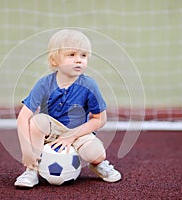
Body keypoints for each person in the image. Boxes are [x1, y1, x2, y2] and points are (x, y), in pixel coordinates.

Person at [14, 29, 121, 188]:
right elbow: (23, 117)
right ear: (54, 60)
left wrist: (71, 136)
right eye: (71, 55)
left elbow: (100, 119)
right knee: (37, 121)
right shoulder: (44, 83)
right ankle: (31, 170)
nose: (79, 60)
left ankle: (98, 164)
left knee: (96, 153)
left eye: (83, 56)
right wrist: (27, 151)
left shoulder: (89, 85)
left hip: (78, 132)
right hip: (51, 132)